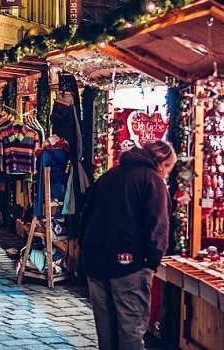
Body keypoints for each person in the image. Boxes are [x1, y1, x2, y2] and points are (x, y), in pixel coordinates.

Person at [79, 140, 177, 350]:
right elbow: (158, 225)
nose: (168, 173)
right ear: (161, 163)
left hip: (96, 261)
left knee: (106, 332)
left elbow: (86, 216)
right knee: (130, 329)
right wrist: (151, 262)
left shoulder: (109, 176)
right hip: (130, 265)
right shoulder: (152, 180)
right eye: (169, 167)